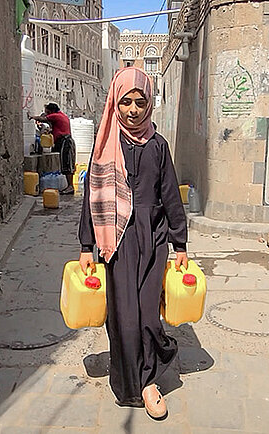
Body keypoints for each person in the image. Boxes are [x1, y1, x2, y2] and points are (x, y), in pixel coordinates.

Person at [78, 67, 188, 420]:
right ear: (115, 102)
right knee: (124, 319)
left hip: (152, 239)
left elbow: (170, 195)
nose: (133, 110)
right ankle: (132, 382)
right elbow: (91, 196)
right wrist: (86, 246)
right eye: (126, 102)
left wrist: (180, 243)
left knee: (148, 318)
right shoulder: (106, 140)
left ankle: (148, 380)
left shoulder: (158, 145)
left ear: (149, 104)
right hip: (118, 242)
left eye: (141, 102)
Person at [29, 103, 76, 194]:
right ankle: (68, 186)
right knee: (64, 163)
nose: (46, 114)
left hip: (65, 142)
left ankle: (70, 186)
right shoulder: (62, 116)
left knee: (66, 163)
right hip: (64, 141)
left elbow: (43, 119)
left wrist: (32, 117)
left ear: (51, 111)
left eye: (47, 112)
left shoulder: (56, 116)